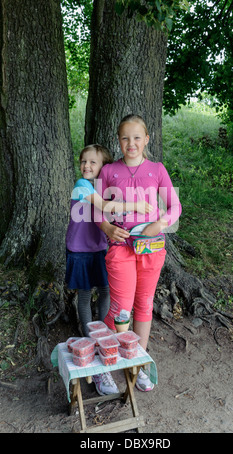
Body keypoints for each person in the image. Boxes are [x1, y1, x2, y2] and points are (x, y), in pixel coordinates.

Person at [96, 115, 182, 392]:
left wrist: (161, 223)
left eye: (136, 138)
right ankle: (105, 364)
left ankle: (137, 363)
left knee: (144, 304)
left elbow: (175, 207)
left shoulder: (157, 169)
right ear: (118, 140)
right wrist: (108, 228)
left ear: (146, 139)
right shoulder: (109, 171)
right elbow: (95, 209)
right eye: (125, 138)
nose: (130, 143)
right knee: (121, 309)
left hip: (152, 248)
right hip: (121, 248)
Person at [65, 143, 152, 396]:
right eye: (83, 161)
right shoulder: (83, 186)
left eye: (93, 162)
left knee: (106, 292)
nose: (86, 166)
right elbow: (103, 207)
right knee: (84, 294)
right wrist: (134, 206)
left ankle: (104, 334)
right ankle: (88, 336)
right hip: (80, 250)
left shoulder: (107, 186)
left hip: (101, 248)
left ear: (104, 167)